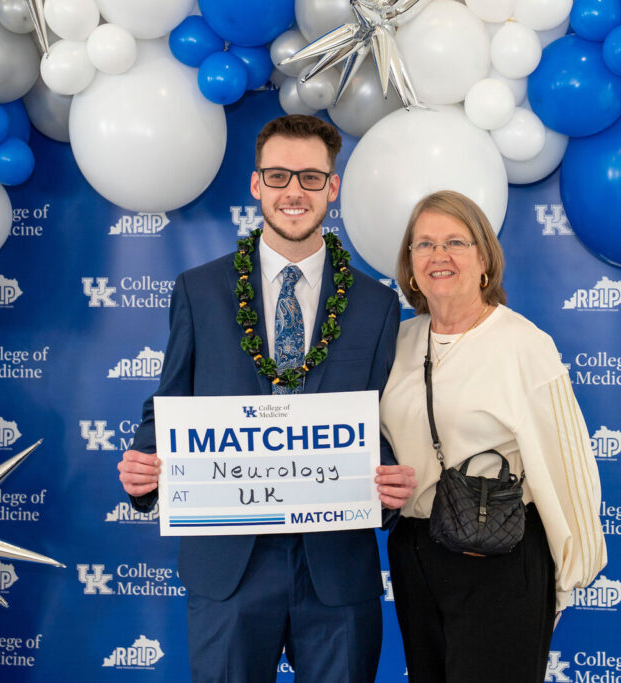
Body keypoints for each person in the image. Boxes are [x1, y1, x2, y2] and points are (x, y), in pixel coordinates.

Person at [117, 114, 417, 683]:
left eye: (310, 178)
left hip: (335, 566)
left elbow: (383, 421)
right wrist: (143, 468)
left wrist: (391, 484)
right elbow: (170, 398)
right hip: (229, 564)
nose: (294, 193)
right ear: (257, 186)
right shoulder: (199, 290)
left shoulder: (376, 306)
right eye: (279, 177)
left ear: (332, 188)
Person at [380, 190, 607, 682]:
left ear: (484, 257)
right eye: (424, 245)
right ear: (409, 263)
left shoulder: (523, 345)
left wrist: (562, 582)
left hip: (496, 557)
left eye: (455, 242)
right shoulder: (398, 342)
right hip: (416, 554)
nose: (439, 256)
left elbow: (569, 470)